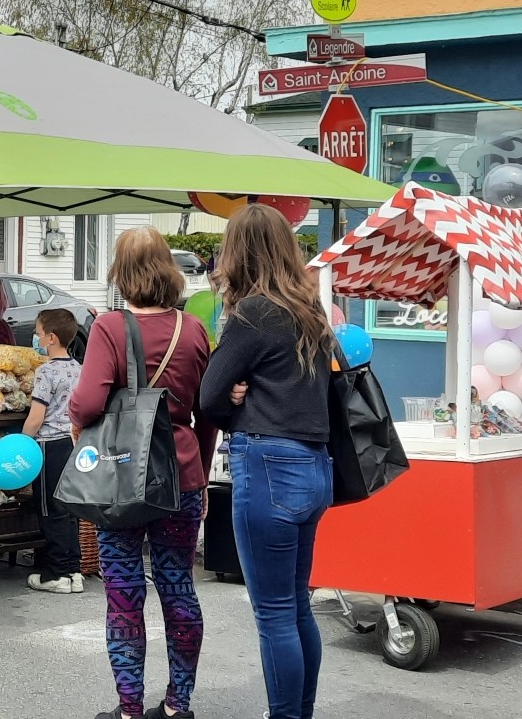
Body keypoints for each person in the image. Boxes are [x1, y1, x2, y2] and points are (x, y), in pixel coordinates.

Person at [69, 226, 217, 719]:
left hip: (121, 477)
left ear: (121, 274)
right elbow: (208, 410)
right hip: (183, 474)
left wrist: (75, 424)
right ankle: (179, 704)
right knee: (178, 585)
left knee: (125, 592)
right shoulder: (194, 330)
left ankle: (130, 706)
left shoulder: (111, 328)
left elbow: (88, 401)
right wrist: (201, 465)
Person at [198, 205, 334, 719]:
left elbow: (210, 395)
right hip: (314, 467)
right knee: (296, 606)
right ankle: (300, 711)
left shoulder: (253, 313)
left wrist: (235, 401)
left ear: (240, 252)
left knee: (274, 614)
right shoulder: (309, 310)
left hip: (268, 466)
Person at [21, 308, 83, 594]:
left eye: (37, 332)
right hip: (73, 443)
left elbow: (36, 416)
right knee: (70, 509)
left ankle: (55, 573)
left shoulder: (46, 371)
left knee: (50, 509)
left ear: (51, 338)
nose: (35, 336)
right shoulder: (78, 369)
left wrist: (22, 442)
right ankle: (73, 570)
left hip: (48, 446)